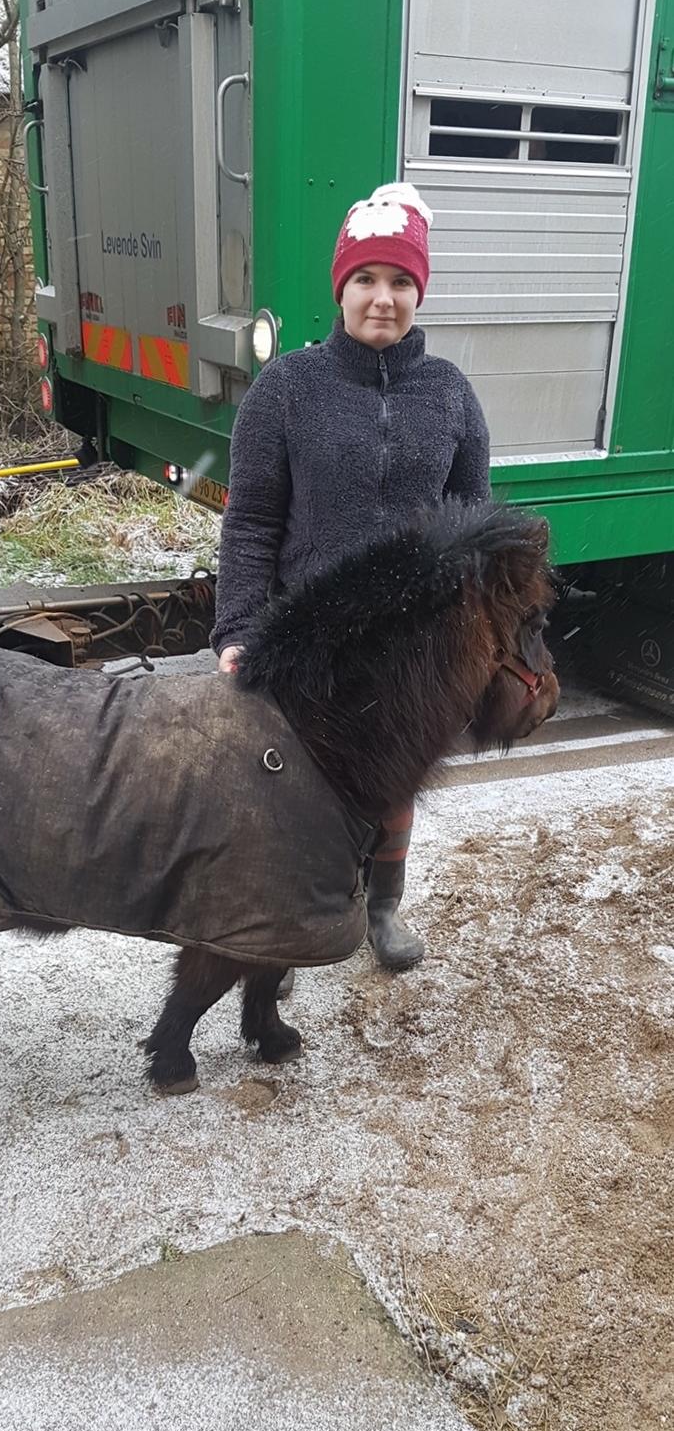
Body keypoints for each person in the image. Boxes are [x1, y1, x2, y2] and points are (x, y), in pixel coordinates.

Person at [211, 181, 492, 976]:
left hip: (411, 641)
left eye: (402, 281)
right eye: (367, 279)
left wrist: (469, 639)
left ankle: (385, 904)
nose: (384, 298)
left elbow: (473, 527)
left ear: (419, 292)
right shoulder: (287, 389)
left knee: (394, 778)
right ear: (341, 288)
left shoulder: (452, 397)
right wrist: (237, 629)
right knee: (299, 787)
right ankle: (297, 914)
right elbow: (252, 522)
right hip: (310, 634)